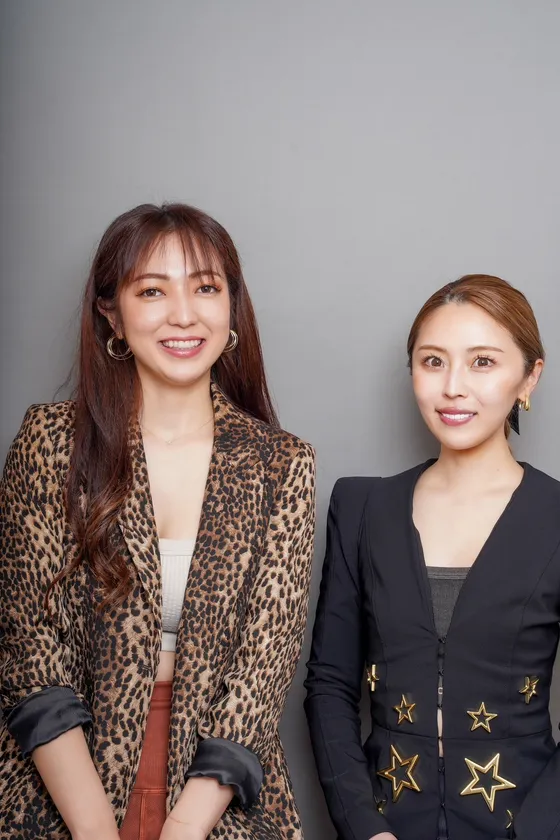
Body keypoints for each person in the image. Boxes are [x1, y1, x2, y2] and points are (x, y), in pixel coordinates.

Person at [0, 203, 316, 840]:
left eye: (206, 288)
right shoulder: (51, 442)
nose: (184, 314)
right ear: (111, 314)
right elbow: (30, 651)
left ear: (232, 308)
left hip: (218, 793)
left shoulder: (281, 464)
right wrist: (94, 828)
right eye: (152, 291)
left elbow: (262, 667)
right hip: (63, 783)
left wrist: (186, 826)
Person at [305, 274, 560, 840]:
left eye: (483, 362)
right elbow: (328, 686)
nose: (453, 387)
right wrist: (365, 828)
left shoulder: (555, 516)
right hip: (386, 824)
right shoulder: (363, 507)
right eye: (433, 361)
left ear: (529, 377)